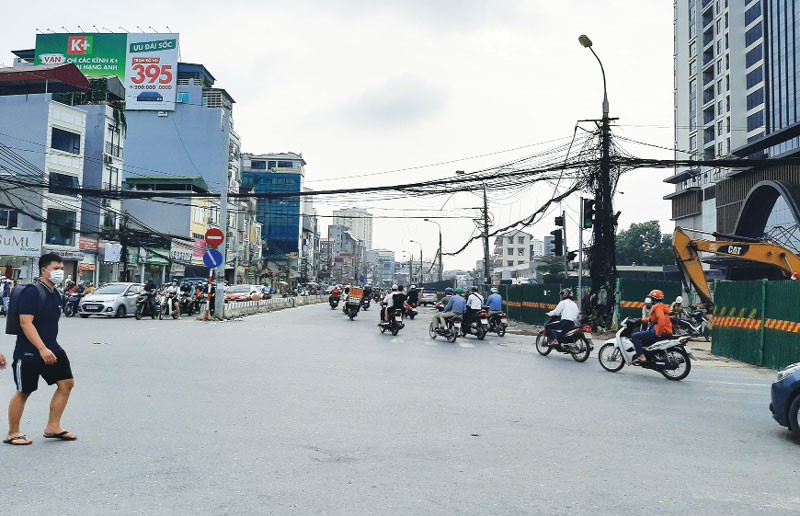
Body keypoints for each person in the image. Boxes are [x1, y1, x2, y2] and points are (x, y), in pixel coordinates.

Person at [6, 253, 76, 446]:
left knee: (66, 384)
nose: (60, 272)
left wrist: (48, 348)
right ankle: (13, 432)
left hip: (52, 348)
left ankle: (53, 427)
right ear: (44, 270)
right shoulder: (33, 292)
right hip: (29, 351)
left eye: (61, 269)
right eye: (56, 269)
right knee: (24, 390)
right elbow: (25, 323)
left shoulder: (55, 293)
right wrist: (42, 348)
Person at [631, 289, 673, 364]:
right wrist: (641, 320)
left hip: (660, 331)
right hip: (667, 331)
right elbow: (652, 319)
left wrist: (658, 333)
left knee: (635, 336)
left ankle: (641, 356)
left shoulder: (657, 307)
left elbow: (661, 319)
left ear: (653, 299)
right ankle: (649, 356)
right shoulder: (663, 307)